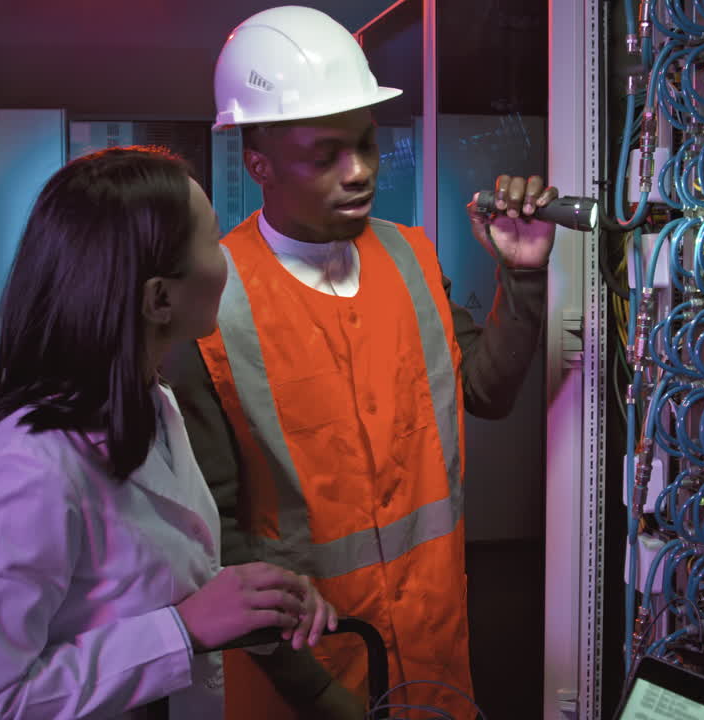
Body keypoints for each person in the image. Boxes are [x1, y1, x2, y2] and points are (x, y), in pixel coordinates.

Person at [164, 6, 558, 718]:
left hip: (435, 655)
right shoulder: (211, 307)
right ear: (259, 165)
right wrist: (323, 698)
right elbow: (216, 541)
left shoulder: (412, 257)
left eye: (367, 146)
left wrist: (523, 279)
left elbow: (487, 390)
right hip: (312, 677)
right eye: (326, 156)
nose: (360, 172)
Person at [0, 146, 338, 720]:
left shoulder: (150, 401)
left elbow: (137, 586)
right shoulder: (28, 464)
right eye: (213, 240)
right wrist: (184, 631)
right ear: (159, 298)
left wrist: (252, 600)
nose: (226, 256)